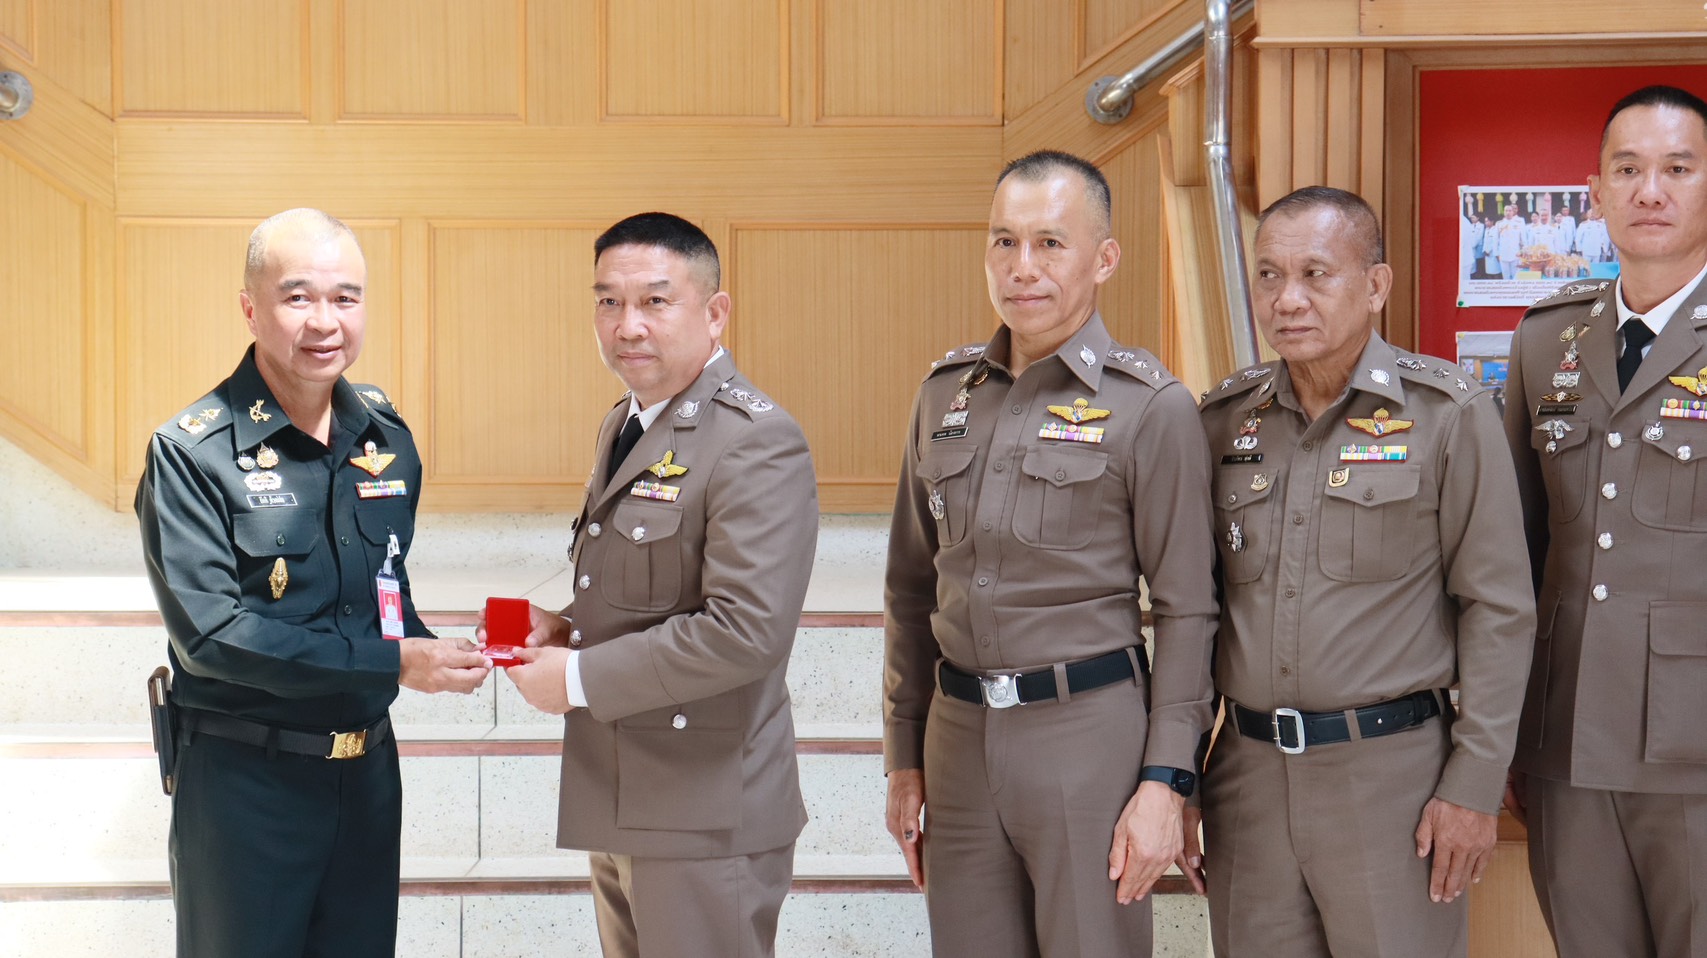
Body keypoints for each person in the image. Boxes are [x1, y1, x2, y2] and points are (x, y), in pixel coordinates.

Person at [883, 149, 1219, 957]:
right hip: (957, 740)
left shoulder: (1151, 407)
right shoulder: (944, 395)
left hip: (1087, 739)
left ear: (1103, 259)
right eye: (1003, 241)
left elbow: (1187, 610)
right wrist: (904, 753)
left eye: (1049, 244)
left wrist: (1165, 780)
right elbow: (910, 589)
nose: (1021, 267)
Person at [135, 208, 493, 958]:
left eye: (346, 297)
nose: (325, 321)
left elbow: (383, 588)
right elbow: (212, 639)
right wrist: (395, 662)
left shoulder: (385, 437)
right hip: (246, 785)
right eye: (297, 297)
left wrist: (431, 645)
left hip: (367, 779)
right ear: (250, 308)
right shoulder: (193, 453)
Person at [1197, 186, 1535, 957]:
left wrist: (1474, 782)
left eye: (1315, 274)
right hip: (1247, 779)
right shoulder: (1222, 421)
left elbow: (1497, 609)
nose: (1287, 299)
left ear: (1375, 285)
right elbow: (1195, 610)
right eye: (1268, 275)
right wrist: (1176, 777)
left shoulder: (1445, 414)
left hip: (1391, 781)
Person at [497, 212, 818, 958]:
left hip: (704, 803)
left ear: (715, 312)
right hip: (626, 791)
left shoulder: (754, 439)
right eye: (608, 302)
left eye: (654, 301)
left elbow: (745, 631)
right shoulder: (627, 423)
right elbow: (654, 589)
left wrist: (574, 677)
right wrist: (563, 626)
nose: (627, 325)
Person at [1503, 84, 1707, 958]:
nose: (1648, 191)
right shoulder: (1546, 339)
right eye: (1626, 170)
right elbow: (1514, 550)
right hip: (1567, 737)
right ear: (1595, 193)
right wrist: (1503, 734)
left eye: (1677, 169)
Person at [1498, 204, 1526, 279]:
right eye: (1506, 211)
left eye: (1510, 211)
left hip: (1515, 254)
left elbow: (1523, 240)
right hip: (1503, 254)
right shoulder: (1499, 224)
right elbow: (1495, 240)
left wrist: (1523, 251)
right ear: (1504, 212)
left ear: (1513, 212)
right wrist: (1497, 254)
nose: (1508, 212)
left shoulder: (1518, 223)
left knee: (1516, 277)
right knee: (1505, 277)